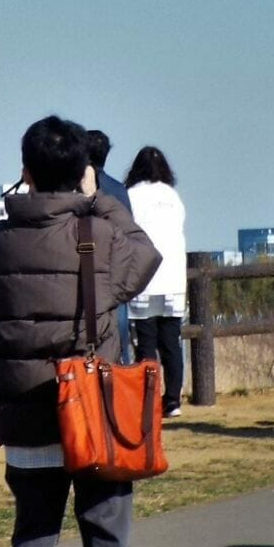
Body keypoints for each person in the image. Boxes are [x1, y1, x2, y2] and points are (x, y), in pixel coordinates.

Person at [0, 116, 159, 547]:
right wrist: (98, 201)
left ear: (25, 170)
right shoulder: (104, 236)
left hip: (27, 412)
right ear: (83, 171)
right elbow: (146, 253)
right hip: (96, 410)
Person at [123, 146, 188, 418]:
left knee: (146, 342)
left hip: (145, 275)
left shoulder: (131, 196)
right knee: (171, 342)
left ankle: (148, 399)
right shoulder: (173, 196)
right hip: (173, 276)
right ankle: (172, 400)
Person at [86, 130, 135, 365]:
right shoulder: (119, 189)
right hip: (116, 272)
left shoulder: (80, 189)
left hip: (89, 270)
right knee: (120, 335)